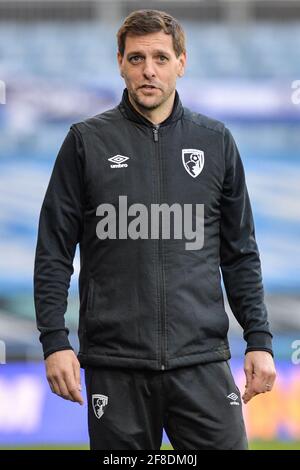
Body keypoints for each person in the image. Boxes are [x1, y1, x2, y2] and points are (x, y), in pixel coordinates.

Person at [34, 9, 276, 450]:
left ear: (181, 62)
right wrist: (54, 341)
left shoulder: (215, 141)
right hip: (116, 366)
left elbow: (240, 253)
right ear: (120, 63)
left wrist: (259, 339)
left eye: (161, 58)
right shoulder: (86, 142)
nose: (149, 70)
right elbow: (53, 251)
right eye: (136, 58)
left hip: (200, 363)